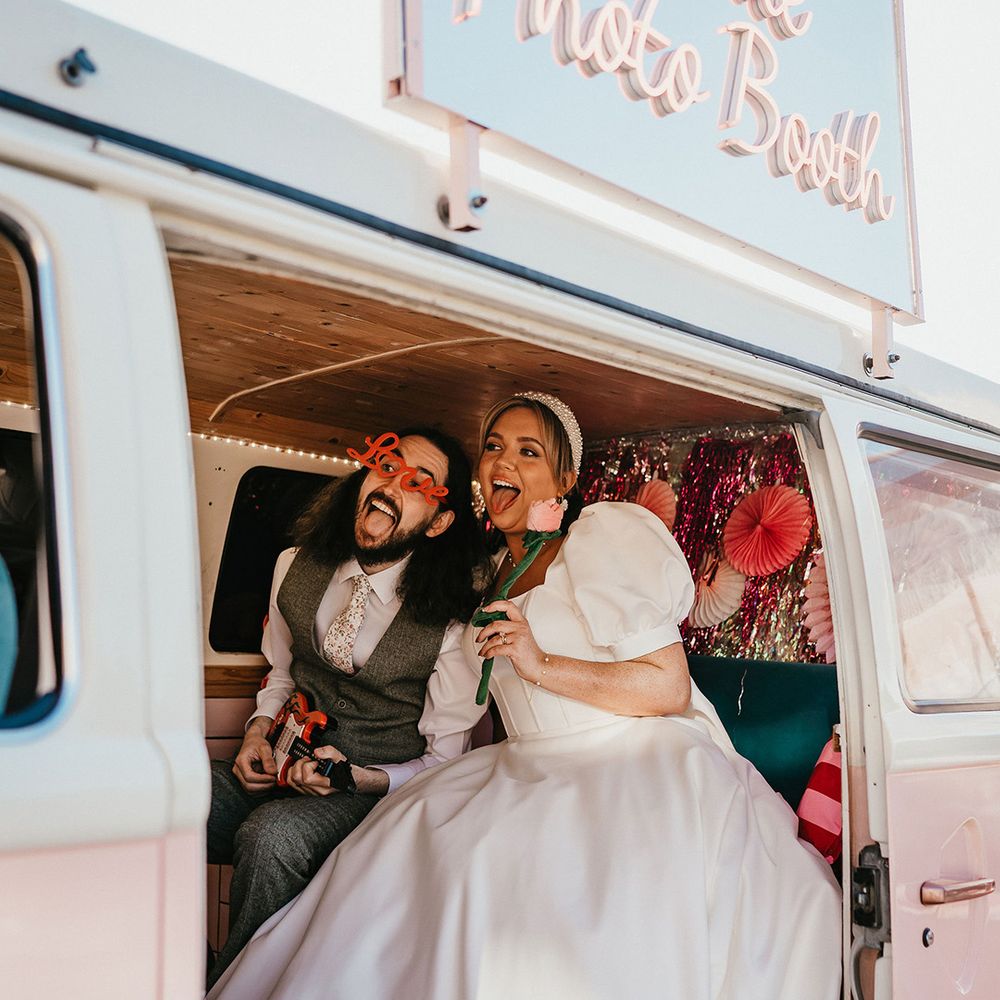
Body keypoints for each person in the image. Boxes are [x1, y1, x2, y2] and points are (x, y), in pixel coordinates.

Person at [208, 393, 842, 1000]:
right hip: (524, 767)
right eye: (494, 446)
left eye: (529, 451)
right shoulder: (485, 578)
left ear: (564, 480)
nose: (504, 461)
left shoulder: (597, 539)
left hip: (632, 764)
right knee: (400, 873)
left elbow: (667, 685)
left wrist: (538, 662)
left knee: (514, 898)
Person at [206, 426, 490, 987]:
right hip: (278, 766)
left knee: (271, 839)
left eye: (418, 482)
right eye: (387, 465)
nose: (391, 484)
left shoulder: (451, 625)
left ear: (438, 523)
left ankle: (233, 989)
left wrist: (358, 778)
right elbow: (282, 672)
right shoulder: (295, 564)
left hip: (367, 801)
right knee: (166, 789)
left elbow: (442, 764)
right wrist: (256, 734)